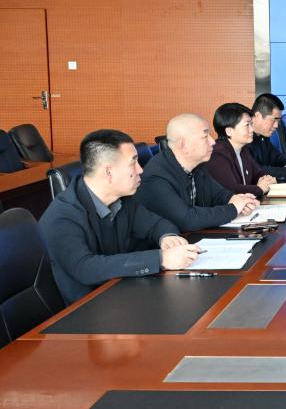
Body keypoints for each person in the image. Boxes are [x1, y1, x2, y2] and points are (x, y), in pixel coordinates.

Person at [39, 129, 201, 304]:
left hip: (120, 294)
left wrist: (167, 237)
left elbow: (156, 224)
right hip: (87, 309)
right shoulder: (62, 216)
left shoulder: (122, 199)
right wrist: (161, 258)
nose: (140, 170)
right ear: (108, 172)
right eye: (133, 163)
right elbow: (86, 268)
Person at [137, 113, 258, 231]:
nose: (213, 141)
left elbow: (218, 194)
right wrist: (234, 209)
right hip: (163, 243)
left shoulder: (199, 165)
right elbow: (187, 219)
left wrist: (236, 199)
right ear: (184, 145)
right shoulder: (156, 176)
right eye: (205, 136)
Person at [208, 102, 277, 197]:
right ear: (229, 131)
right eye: (247, 125)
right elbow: (232, 190)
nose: (251, 129)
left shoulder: (244, 150)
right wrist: (259, 189)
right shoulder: (217, 155)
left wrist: (267, 179)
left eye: (251, 124)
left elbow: (259, 173)